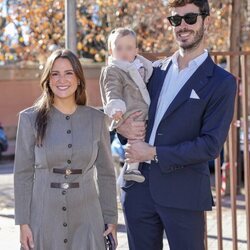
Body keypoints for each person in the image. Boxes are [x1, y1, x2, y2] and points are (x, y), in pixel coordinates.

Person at [117, 1, 237, 249]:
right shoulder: (153, 71)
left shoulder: (221, 82)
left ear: (207, 21)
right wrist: (121, 128)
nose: (182, 25)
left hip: (184, 195)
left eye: (190, 18)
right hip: (137, 191)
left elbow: (210, 145)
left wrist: (154, 153)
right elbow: (128, 110)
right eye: (175, 20)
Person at [14, 49, 118, 250]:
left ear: (79, 78)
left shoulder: (97, 120)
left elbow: (106, 174)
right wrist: (23, 223)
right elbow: (23, 175)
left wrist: (111, 219)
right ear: (48, 79)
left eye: (69, 73)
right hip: (43, 218)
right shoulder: (29, 120)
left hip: (88, 217)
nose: (62, 79)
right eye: (55, 73)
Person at [100, 27, 153, 183]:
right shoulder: (113, 71)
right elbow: (112, 90)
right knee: (136, 136)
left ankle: (138, 163)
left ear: (136, 50)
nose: (124, 52)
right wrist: (116, 107)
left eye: (129, 48)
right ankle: (132, 169)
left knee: (140, 137)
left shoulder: (140, 66)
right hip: (129, 111)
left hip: (142, 109)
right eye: (119, 48)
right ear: (111, 51)